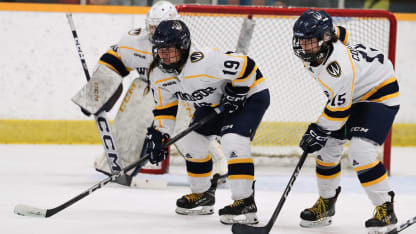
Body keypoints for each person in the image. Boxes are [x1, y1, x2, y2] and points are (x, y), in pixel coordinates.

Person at [71, 1, 227, 181]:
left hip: (179, 93)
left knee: (186, 127)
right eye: (151, 27)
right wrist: (96, 91)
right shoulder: (134, 41)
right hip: (148, 87)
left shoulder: (189, 49)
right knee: (133, 111)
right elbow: (116, 60)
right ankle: (118, 161)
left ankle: (216, 164)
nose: (155, 33)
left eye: (159, 27)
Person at [143, 19, 270, 224]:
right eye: (160, 50)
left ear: (183, 47)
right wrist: (160, 135)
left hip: (250, 96)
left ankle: (245, 202)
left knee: (232, 142)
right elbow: (165, 109)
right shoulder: (158, 75)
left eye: (169, 50)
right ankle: (203, 195)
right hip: (215, 104)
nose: (164, 55)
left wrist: (238, 90)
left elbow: (248, 66)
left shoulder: (204, 61)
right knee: (190, 142)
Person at [292, 9, 400, 234]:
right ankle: (326, 204)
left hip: (378, 93)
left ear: (324, 39)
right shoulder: (322, 45)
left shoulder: (338, 68)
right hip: (353, 92)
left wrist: (317, 130)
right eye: (301, 40)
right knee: (326, 149)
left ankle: (385, 209)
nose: (304, 46)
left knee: (360, 153)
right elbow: (342, 32)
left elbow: (339, 112)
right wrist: (320, 134)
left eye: (309, 42)